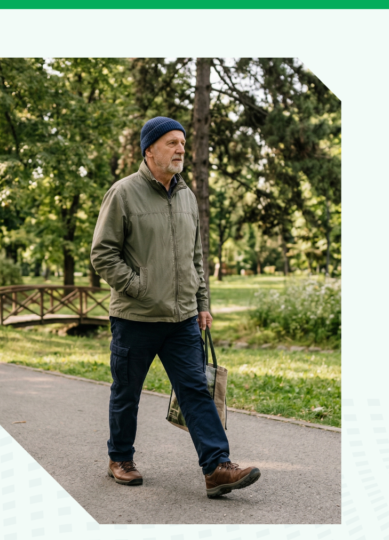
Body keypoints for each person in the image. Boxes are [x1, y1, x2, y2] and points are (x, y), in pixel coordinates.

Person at [89, 116, 261, 498]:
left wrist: (202, 303)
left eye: (183, 142)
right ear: (149, 149)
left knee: (196, 390)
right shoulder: (123, 193)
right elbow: (102, 254)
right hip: (135, 317)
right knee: (126, 393)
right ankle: (120, 459)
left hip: (182, 319)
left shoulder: (187, 197)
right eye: (172, 142)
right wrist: (140, 286)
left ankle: (217, 467)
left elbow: (195, 258)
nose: (181, 148)